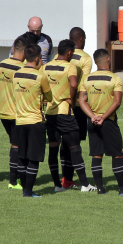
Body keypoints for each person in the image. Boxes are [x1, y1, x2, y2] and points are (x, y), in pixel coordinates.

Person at [79, 48, 123, 195]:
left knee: (96, 155)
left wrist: (92, 116)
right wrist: (103, 117)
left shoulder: (87, 79)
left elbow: (81, 101)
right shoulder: (114, 78)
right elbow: (117, 102)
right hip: (108, 122)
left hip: (92, 122)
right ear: (108, 59)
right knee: (117, 154)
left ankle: (100, 189)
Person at [44, 39, 96, 192]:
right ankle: (85, 185)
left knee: (54, 148)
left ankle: (57, 185)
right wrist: (72, 100)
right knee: (74, 147)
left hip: (50, 112)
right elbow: (74, 84)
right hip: (65, 112)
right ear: (68, 53)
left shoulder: (46, 67)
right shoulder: (70, 67)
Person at [13, 44, 52, 198]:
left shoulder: (17, 74)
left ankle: (24, 190)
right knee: (34, 158)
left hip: (20, 121)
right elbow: (49, 97)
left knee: (22, 157)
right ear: (37, 58)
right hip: (35, 121)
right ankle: (29, 191)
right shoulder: (40, 76)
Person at [61, 27, 93, 189]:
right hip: (77, 106)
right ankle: (70, 178)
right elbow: (83, 85)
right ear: (80, 39)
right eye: (85, 38)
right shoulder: (86, 59)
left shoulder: (58, 56)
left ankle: (64, 178)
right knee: (75, 144)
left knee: (63, 143)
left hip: (60, 104)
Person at [0, 36, 29, 190]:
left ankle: (18, 177)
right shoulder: (22, 68)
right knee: (17, 146)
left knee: (16, 144)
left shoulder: (2, 63)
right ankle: (13, 181)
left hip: (4, 112)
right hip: (16, 113)